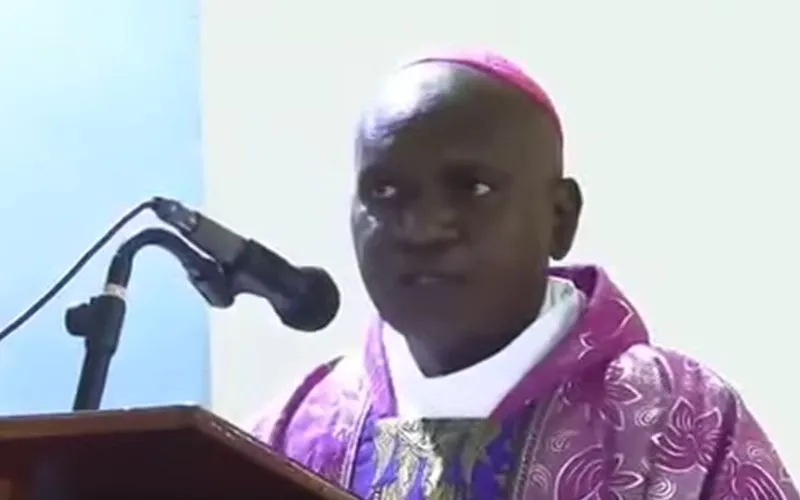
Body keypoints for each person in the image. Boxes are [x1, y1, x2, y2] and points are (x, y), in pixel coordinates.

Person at [250, 51, 797, 499]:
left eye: (473, 187)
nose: (422, 227)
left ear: (559, 218)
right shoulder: (300, 426)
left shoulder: (670, 415)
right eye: (385, 190)